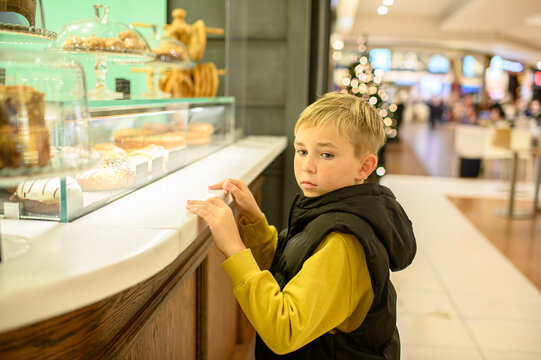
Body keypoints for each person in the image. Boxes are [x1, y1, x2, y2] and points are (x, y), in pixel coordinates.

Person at [186, 92, 417, 359]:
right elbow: (290, 271)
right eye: (302, 151)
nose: (307, 166)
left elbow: (284, 329)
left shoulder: (343, 241)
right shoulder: (328, 209)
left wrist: (234, 248)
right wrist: (254, 221)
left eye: (327, 154)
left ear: (364, 166)